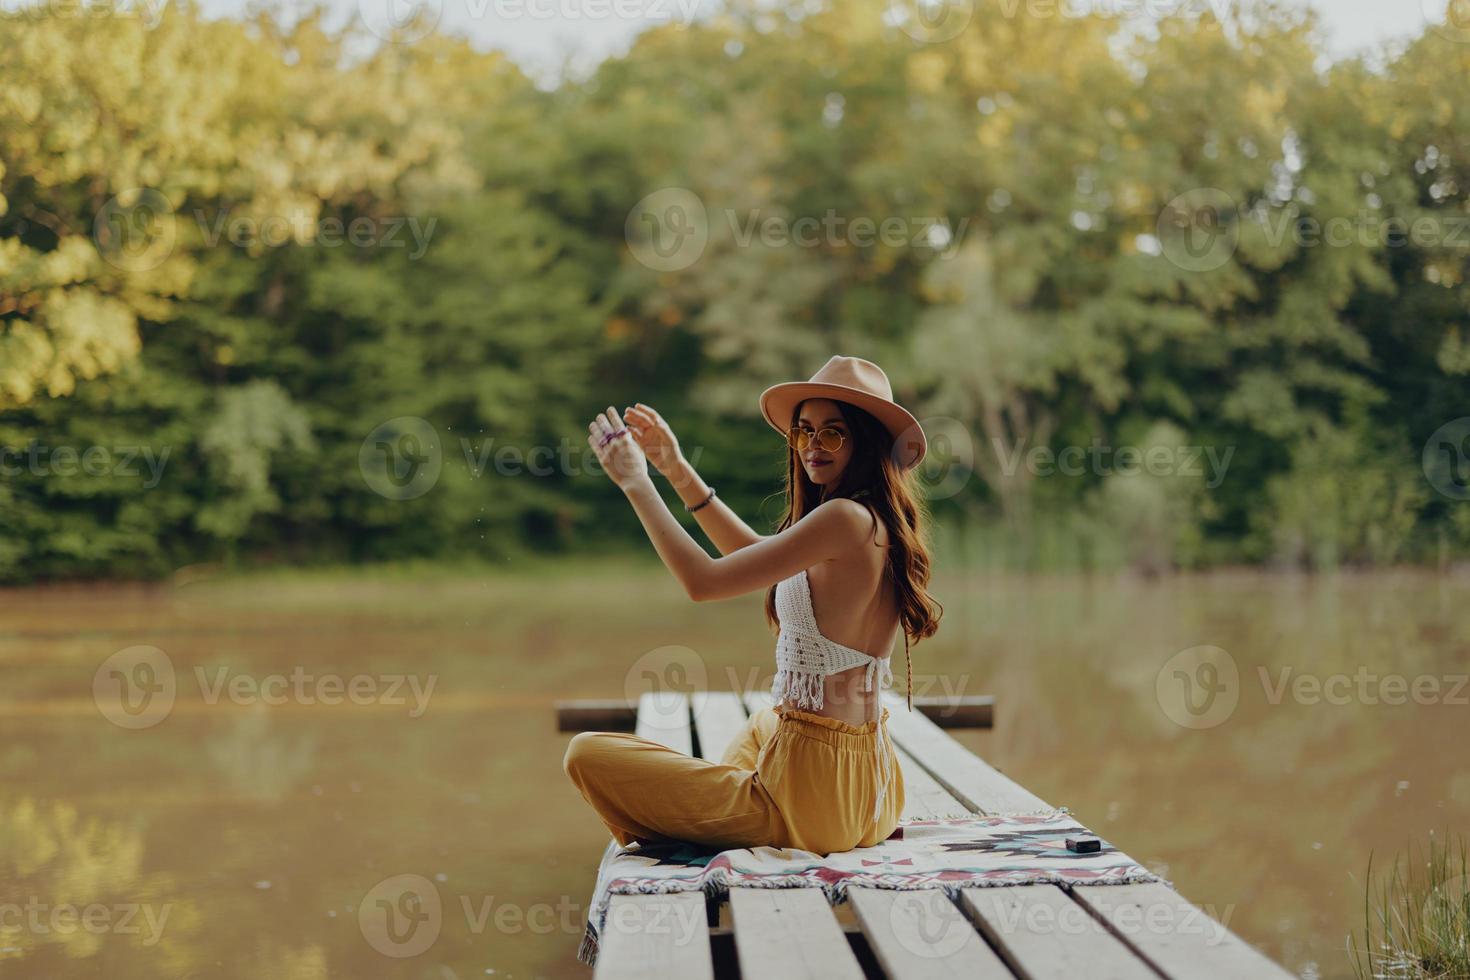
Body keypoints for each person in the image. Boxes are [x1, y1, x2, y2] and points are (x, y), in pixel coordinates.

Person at [563, 355, 943, 856]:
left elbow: (703, 582)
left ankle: (730, 814)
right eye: (803, 431)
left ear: (867, 442)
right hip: (871, 790)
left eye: (833, 433)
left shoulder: (843, 518)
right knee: (766, 722)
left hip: (816, 800)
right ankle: (725, 805)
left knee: (585, 754)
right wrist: (677, 469)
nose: (812, 446)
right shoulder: (871, 519)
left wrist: (637, 481)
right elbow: (749, 555)